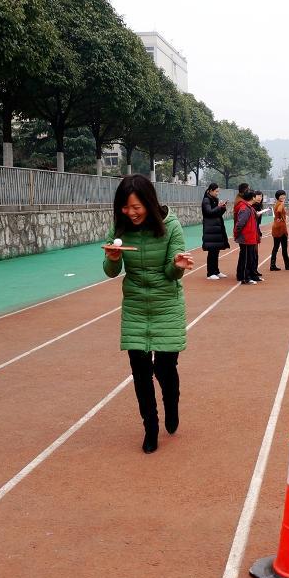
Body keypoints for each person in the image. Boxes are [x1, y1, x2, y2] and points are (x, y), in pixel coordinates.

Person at [103, 175, 194, 454]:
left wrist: (177, 265)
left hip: (166, 304)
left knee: (164, 368)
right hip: (135, 306)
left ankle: (171, 404)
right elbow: (111, 271)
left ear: (149, 203)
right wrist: (113, 259)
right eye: (125, 207)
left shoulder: (171, 226)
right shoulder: (120, 227)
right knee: (140, 371)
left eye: (136, 207)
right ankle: (150, 427)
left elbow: (172, 272)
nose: (131, 213)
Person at [201, 183, 230, 280]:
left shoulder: (215, 199)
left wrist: (223, 207)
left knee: (216, 251)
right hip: (210, 229)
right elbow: (209, 212)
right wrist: (218, 206)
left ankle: (216, 271)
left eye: (218, 191)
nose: (217, 193)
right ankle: (210, 273)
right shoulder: (206, 200)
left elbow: (218, 214)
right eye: (216, 191)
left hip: (217, 228)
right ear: (210, 190)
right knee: (212, 251)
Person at [234, 190, 259, 284]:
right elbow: (240, 223)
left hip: (249, 237)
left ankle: (243, 276)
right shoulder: (245, 208)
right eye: (255, 196)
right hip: (246, 238)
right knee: (246, 259)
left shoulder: (248, 207)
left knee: (247, 258)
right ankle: (245, 278)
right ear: (253, 197)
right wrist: (237, 234)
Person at [270, 189, 289, 271]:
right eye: (281, 195)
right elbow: (279, 210)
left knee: (277, 247)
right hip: (280, 228)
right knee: (281, 247)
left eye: (284, 195)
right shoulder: (280, 203)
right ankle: (285, 265)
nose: (283, 197)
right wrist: (280, 217)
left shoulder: (277, 203)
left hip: (277, 226)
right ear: (278, 197)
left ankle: (276, 265)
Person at [251, 190, 268, 280]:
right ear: (253, 197)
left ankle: (255, 270)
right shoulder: (252, 206)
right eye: (257, 196)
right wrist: (257, 215)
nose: (259, 198)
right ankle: (252, 271)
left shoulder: (259, 206)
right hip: (252, 230)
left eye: (261, 196)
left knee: (255, 252)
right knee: (253, 252)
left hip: (256, 229)